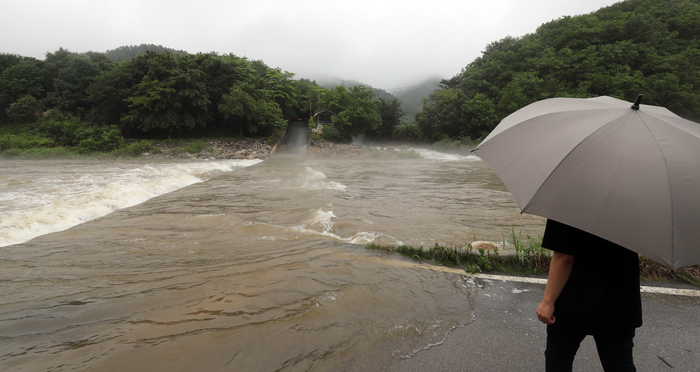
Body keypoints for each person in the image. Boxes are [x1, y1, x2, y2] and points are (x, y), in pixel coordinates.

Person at [536, 219, 642, 372]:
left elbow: (564, 257)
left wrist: (547, 302)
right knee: (619, 365)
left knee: (559, 361)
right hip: (620, 297)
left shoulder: (569, 201)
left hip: (573, 298)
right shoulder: (636, 203)